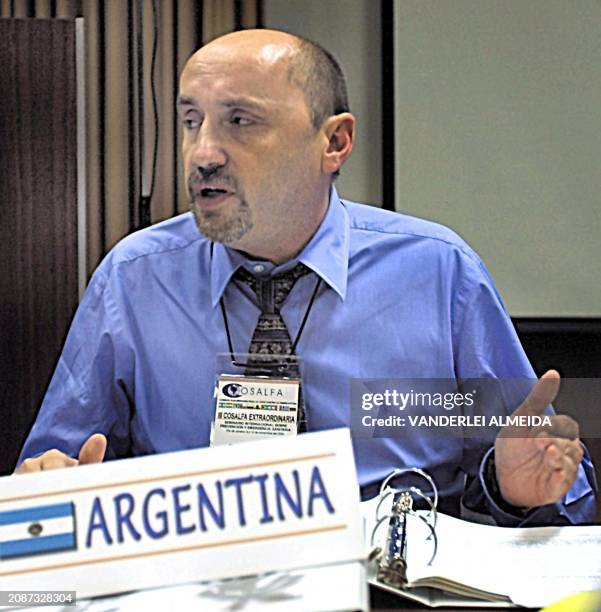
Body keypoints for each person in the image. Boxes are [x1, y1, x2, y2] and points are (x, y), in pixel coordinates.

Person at [16, 29, 596, 526]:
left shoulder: (437, 275)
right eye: (191, 121)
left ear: (334, 142)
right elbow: (48, 478)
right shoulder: (135, 278)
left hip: (392, 591)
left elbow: (548, 484)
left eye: (240, 121)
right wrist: (46, 486)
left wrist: (514, 487)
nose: (202, 153)